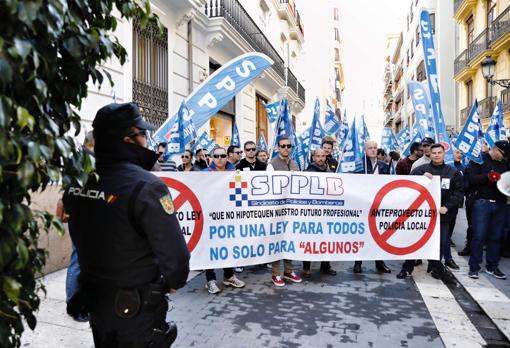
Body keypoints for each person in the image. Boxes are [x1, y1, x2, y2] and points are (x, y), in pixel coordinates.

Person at [63, 102, 190, 347]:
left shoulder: (77, 182)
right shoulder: (148, 187)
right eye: (142, 134)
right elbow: (176, 258)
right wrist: (173, 282)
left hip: (97, 302)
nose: (146, 140)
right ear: (128, 139)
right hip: (136, 310)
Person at [397, 144, 464, 281]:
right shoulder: (421, 170)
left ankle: (435, 269)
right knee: (415, 240)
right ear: (430, 154)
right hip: (422, 216)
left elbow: (458, 193)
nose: (437, 155)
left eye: (440, 152)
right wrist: (421, 177)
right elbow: (409, 185)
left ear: (444, 154)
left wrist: (447, 206)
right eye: (434, 153)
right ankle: (407, 268)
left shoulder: (453, 172)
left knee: (439, 243)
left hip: (442, 215)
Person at [58, 131, 95, 322]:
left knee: (77, 259)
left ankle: (73, 302)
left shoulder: (74, 159)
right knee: (79, 261)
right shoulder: (91, 160)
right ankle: (76, 306)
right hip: (87, 217)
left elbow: (66, 190)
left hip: (76, 216)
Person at [202, 147, 246, 293]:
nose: (219, 158)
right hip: (211, 217)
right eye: (216, 156)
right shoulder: (204, 174)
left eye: (222, 155)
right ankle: (211, 280)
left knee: (228, 246)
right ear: (212, 158)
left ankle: (229, 276)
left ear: (227, 157)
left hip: (229, 216)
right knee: (211, 249)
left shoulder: (235, 173)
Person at [467, 140, 510, 279]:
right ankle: (474, 267)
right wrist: (487, 177)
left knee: (496, 237)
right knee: (479, 236)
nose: (504, 158)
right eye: (503, 154)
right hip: (482, 203)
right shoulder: (479, 160)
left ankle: (492, 267)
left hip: (500, 203)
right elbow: (470, 178)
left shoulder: (505, 163)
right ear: (496, 149)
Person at [266, 136, 303, 286]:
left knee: (289, 239)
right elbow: (269, 187)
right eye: (283, 146)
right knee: (276, 240)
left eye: (289, 146)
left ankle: (288, 271)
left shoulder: (294, 163)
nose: (286, 148)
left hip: (291, 209)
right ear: (278, 148)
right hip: (276, 208)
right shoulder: (272, 164)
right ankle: (276, 274)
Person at [353, 140, 391, 274]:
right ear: (365, 150)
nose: (373, 150)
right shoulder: (359, 165)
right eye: (370, 148)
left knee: (379, 234)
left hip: (379, 205)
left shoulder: (384, 166)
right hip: (363, 204)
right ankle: (358, 262)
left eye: (375, 148)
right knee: (362, 234)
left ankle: (379, 262)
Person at [302, 148, 337, 277]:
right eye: (318, 156)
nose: (321, 158)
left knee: (326, 239)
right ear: (313, 158)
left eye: (323, 156)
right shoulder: (308, 172)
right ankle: (306, 266)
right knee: (310, 239)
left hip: (326, 212)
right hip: (312, 212)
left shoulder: (329, 172)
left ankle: (325, 265)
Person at [448, 148, 466, 247]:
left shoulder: (463, 167)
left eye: (461, 153)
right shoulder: (447, 165)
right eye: (457, 152)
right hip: (445, 198)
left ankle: (448, 237)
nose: (460, 155)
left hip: (456, 198)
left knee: (453, 219)